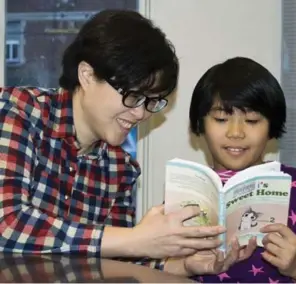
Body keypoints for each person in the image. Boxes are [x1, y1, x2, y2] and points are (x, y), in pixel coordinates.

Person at [0, 9, 227, 276]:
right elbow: (7, 225)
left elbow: (115, 262)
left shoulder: (120, 167)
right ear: (86, 75)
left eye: (152, 101)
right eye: (132, 96)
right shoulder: (18, 113)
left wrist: (182, 265)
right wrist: (137, 239)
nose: (141, 113)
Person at [188, 57, 296, 282]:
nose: (236, 133)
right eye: (221, 119)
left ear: (272, 126)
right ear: (200, 124)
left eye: (251, 120)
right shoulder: (190, 193)